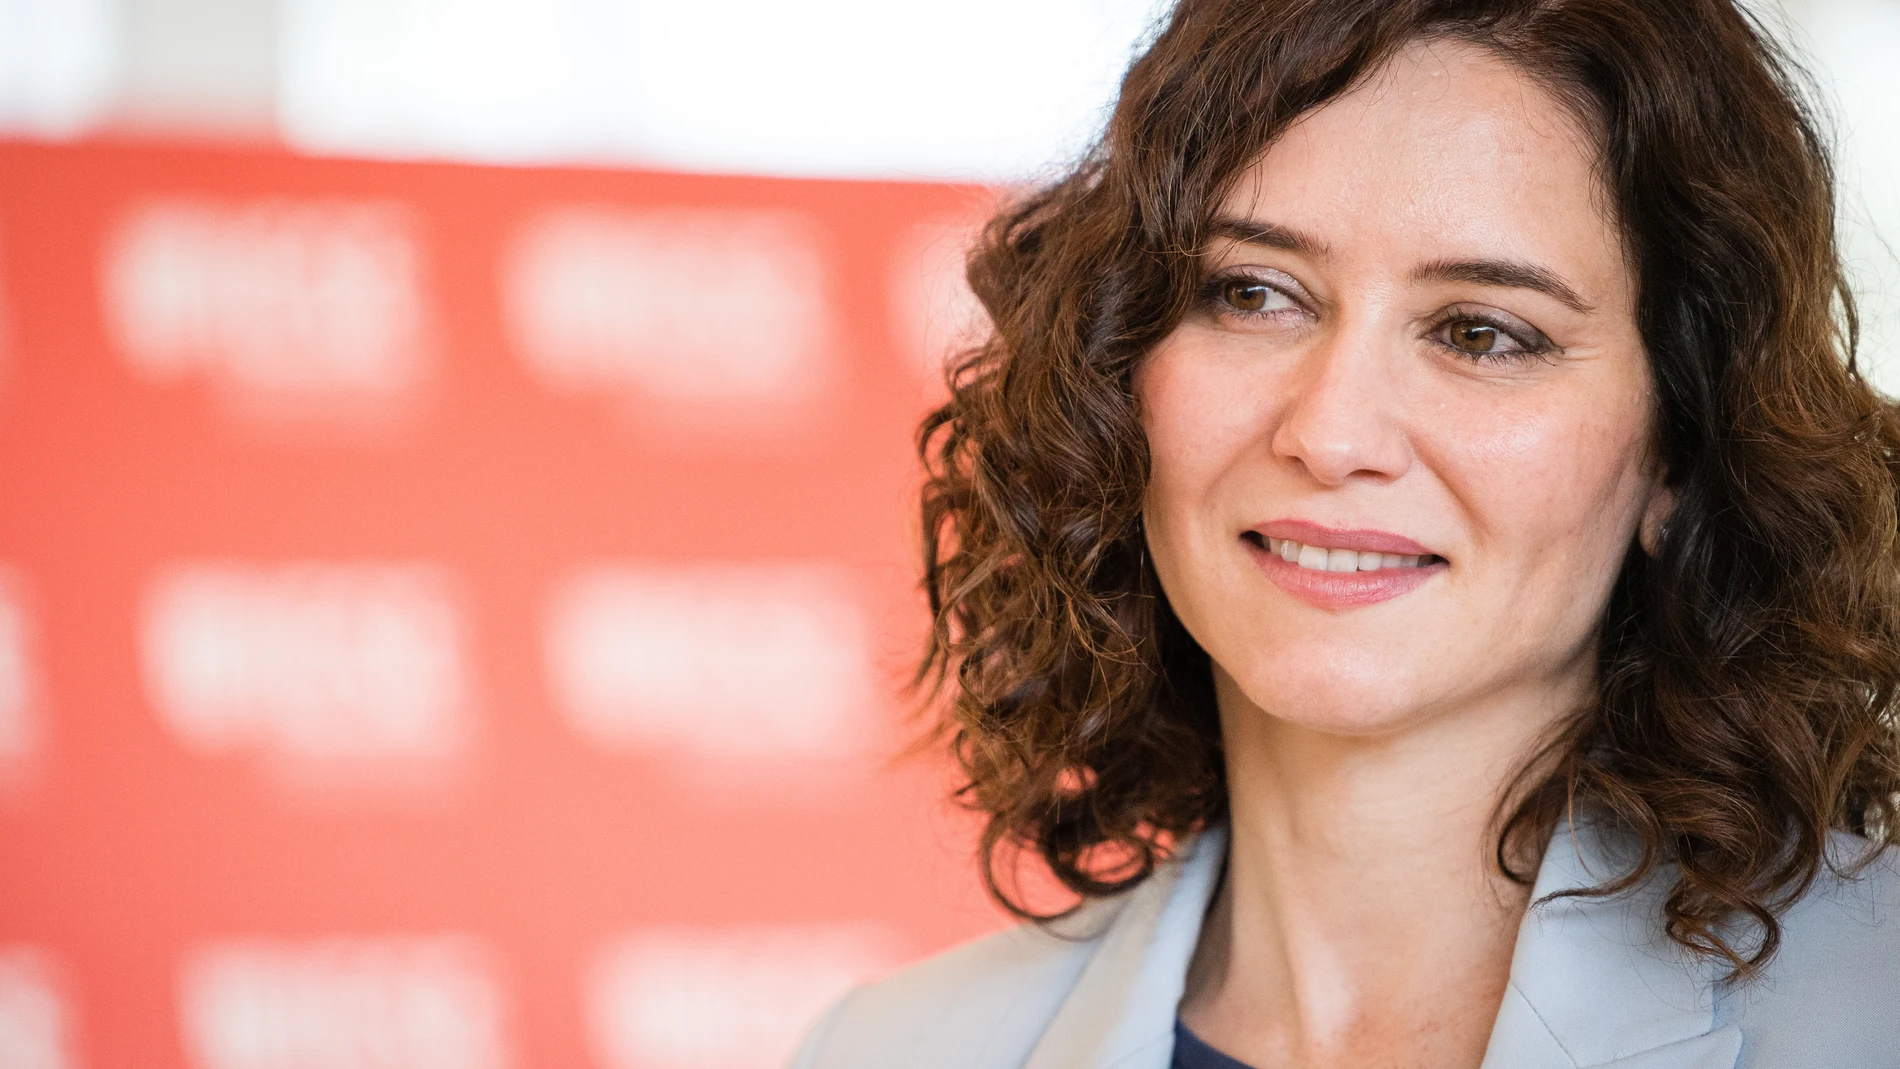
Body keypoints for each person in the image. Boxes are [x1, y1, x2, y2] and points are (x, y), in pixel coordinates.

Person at [794, 0, 1900, 1066]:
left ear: (1678, 451)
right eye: (1252, 294)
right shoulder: (888, 1049)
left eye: (1481, 332)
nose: (1330, 434)